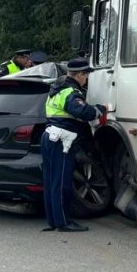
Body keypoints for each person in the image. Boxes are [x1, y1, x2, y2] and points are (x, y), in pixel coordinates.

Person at [40, 58, 106, 232]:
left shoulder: (56, 88)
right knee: (62, 182)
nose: (87, 79)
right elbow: (83, 111)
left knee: (51, 182)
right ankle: (63, 223)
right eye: (86, 76)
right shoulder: (71, 92)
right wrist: (101, 109)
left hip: (49, 136)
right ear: (80, 75)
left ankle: (53, 221)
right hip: (62, 139)